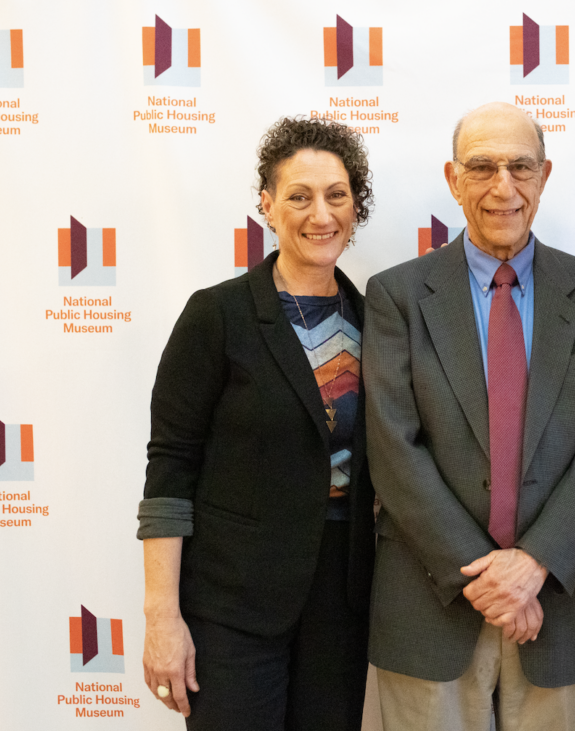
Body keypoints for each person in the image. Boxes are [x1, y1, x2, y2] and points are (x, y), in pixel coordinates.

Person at [362, 102, 575, 731]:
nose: (502, 187)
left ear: (545, 176)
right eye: (482, 167)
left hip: (555, 608)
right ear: (453, 179)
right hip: (430, 606)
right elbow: (395, 449)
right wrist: (488, 579)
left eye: (520, 166)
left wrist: (532, 565)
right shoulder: (398, 296)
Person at [137, 117, 376, 731]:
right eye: (299, 196)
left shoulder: (379, 322)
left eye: (337, 195)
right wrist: (162, 618)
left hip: (340, 605)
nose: (320, 213)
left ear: (356, 206)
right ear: (267, 207)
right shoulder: (217, 315)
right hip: (232, 607)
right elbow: (170, 468)